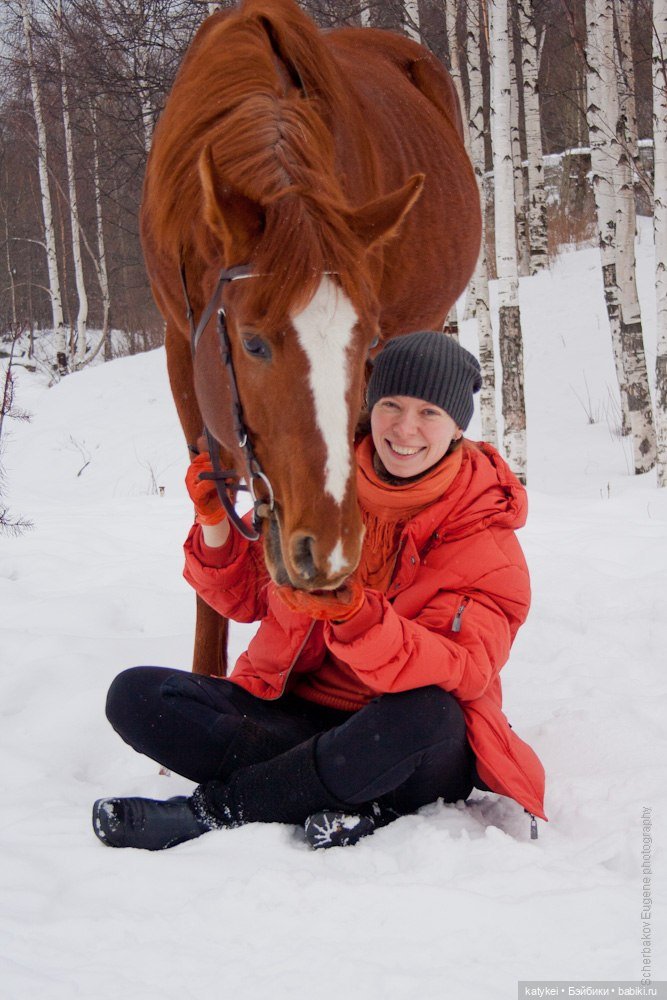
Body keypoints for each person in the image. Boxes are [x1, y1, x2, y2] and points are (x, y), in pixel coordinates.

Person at [92, 331, 546, 852]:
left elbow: (466, 669)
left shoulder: (486, 539)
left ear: (458, 427)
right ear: (370, 405)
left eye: (429, 413)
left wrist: (357, 618)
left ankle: (215, 811)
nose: (404, 428)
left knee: (428, 715)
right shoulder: (319, 489)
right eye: (392, 405)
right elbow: (246, 598)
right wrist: (215, 519)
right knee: (136, 696)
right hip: (297, 717)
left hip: (404, 739)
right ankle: (333, 789)